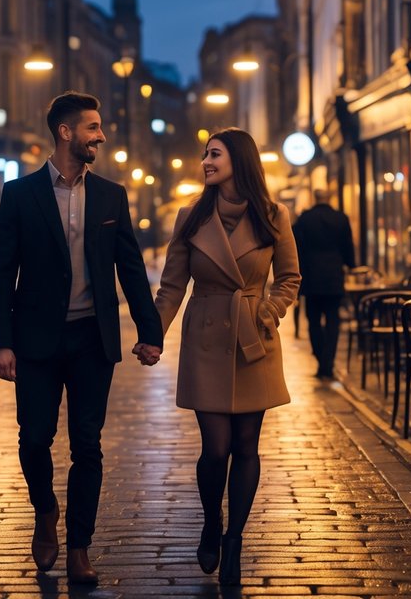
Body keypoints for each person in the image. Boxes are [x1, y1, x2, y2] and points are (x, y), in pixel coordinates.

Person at [0, 91, 163, 586]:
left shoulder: (111, 195)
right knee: (34, 439)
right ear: (65, 132)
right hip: (35, 342)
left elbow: (130, 269)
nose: (101, 135)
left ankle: (79, 547)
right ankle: (45, 511)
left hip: (92, 340)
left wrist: (149, 332)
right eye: (92, 127)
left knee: (88, 445)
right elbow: (2, 274)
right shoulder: (19, 196)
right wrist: (2, 342)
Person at [151, 127, 301, 587]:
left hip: (252, 338)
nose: (206, 162)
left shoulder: (274, 215)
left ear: (239, 159)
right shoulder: (192, 216)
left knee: (246, 446)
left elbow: (290, 277)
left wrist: (269, 312)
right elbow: (173, 284)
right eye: (204, 155)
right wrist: (153, 334)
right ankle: (211, 524)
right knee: (215, 449)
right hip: (207, 339)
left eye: (214, 154)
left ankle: (234, 538)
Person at [292, 189, 356, 380]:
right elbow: (348, 246)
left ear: (315, 199)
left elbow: (297, 248)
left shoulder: (305, 220)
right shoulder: (340, 219)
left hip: (311, 276)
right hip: (334, 276)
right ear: (329, 198)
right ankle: (328, 363)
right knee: (332, 320)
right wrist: (350, 265)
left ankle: (322, 360)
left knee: (313, 320)